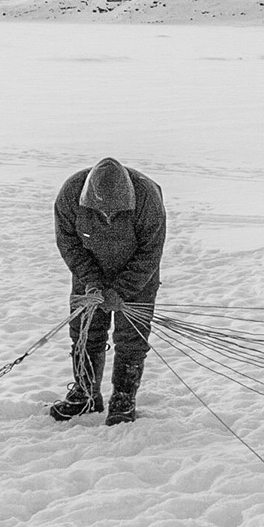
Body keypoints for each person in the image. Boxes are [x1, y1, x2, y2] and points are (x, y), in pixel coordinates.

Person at [51, 157, 166, 425]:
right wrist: (92, 281)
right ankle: (85, 395)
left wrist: (122, 290)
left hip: (138, 274)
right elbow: (68, 245)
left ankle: (123, 398)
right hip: (90, 269)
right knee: (84, 330)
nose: (109, 218)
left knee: (131, 336)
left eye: (116, 214)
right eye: (103, 214)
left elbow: (150, 252)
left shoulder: (147, 199)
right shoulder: (70, 195)